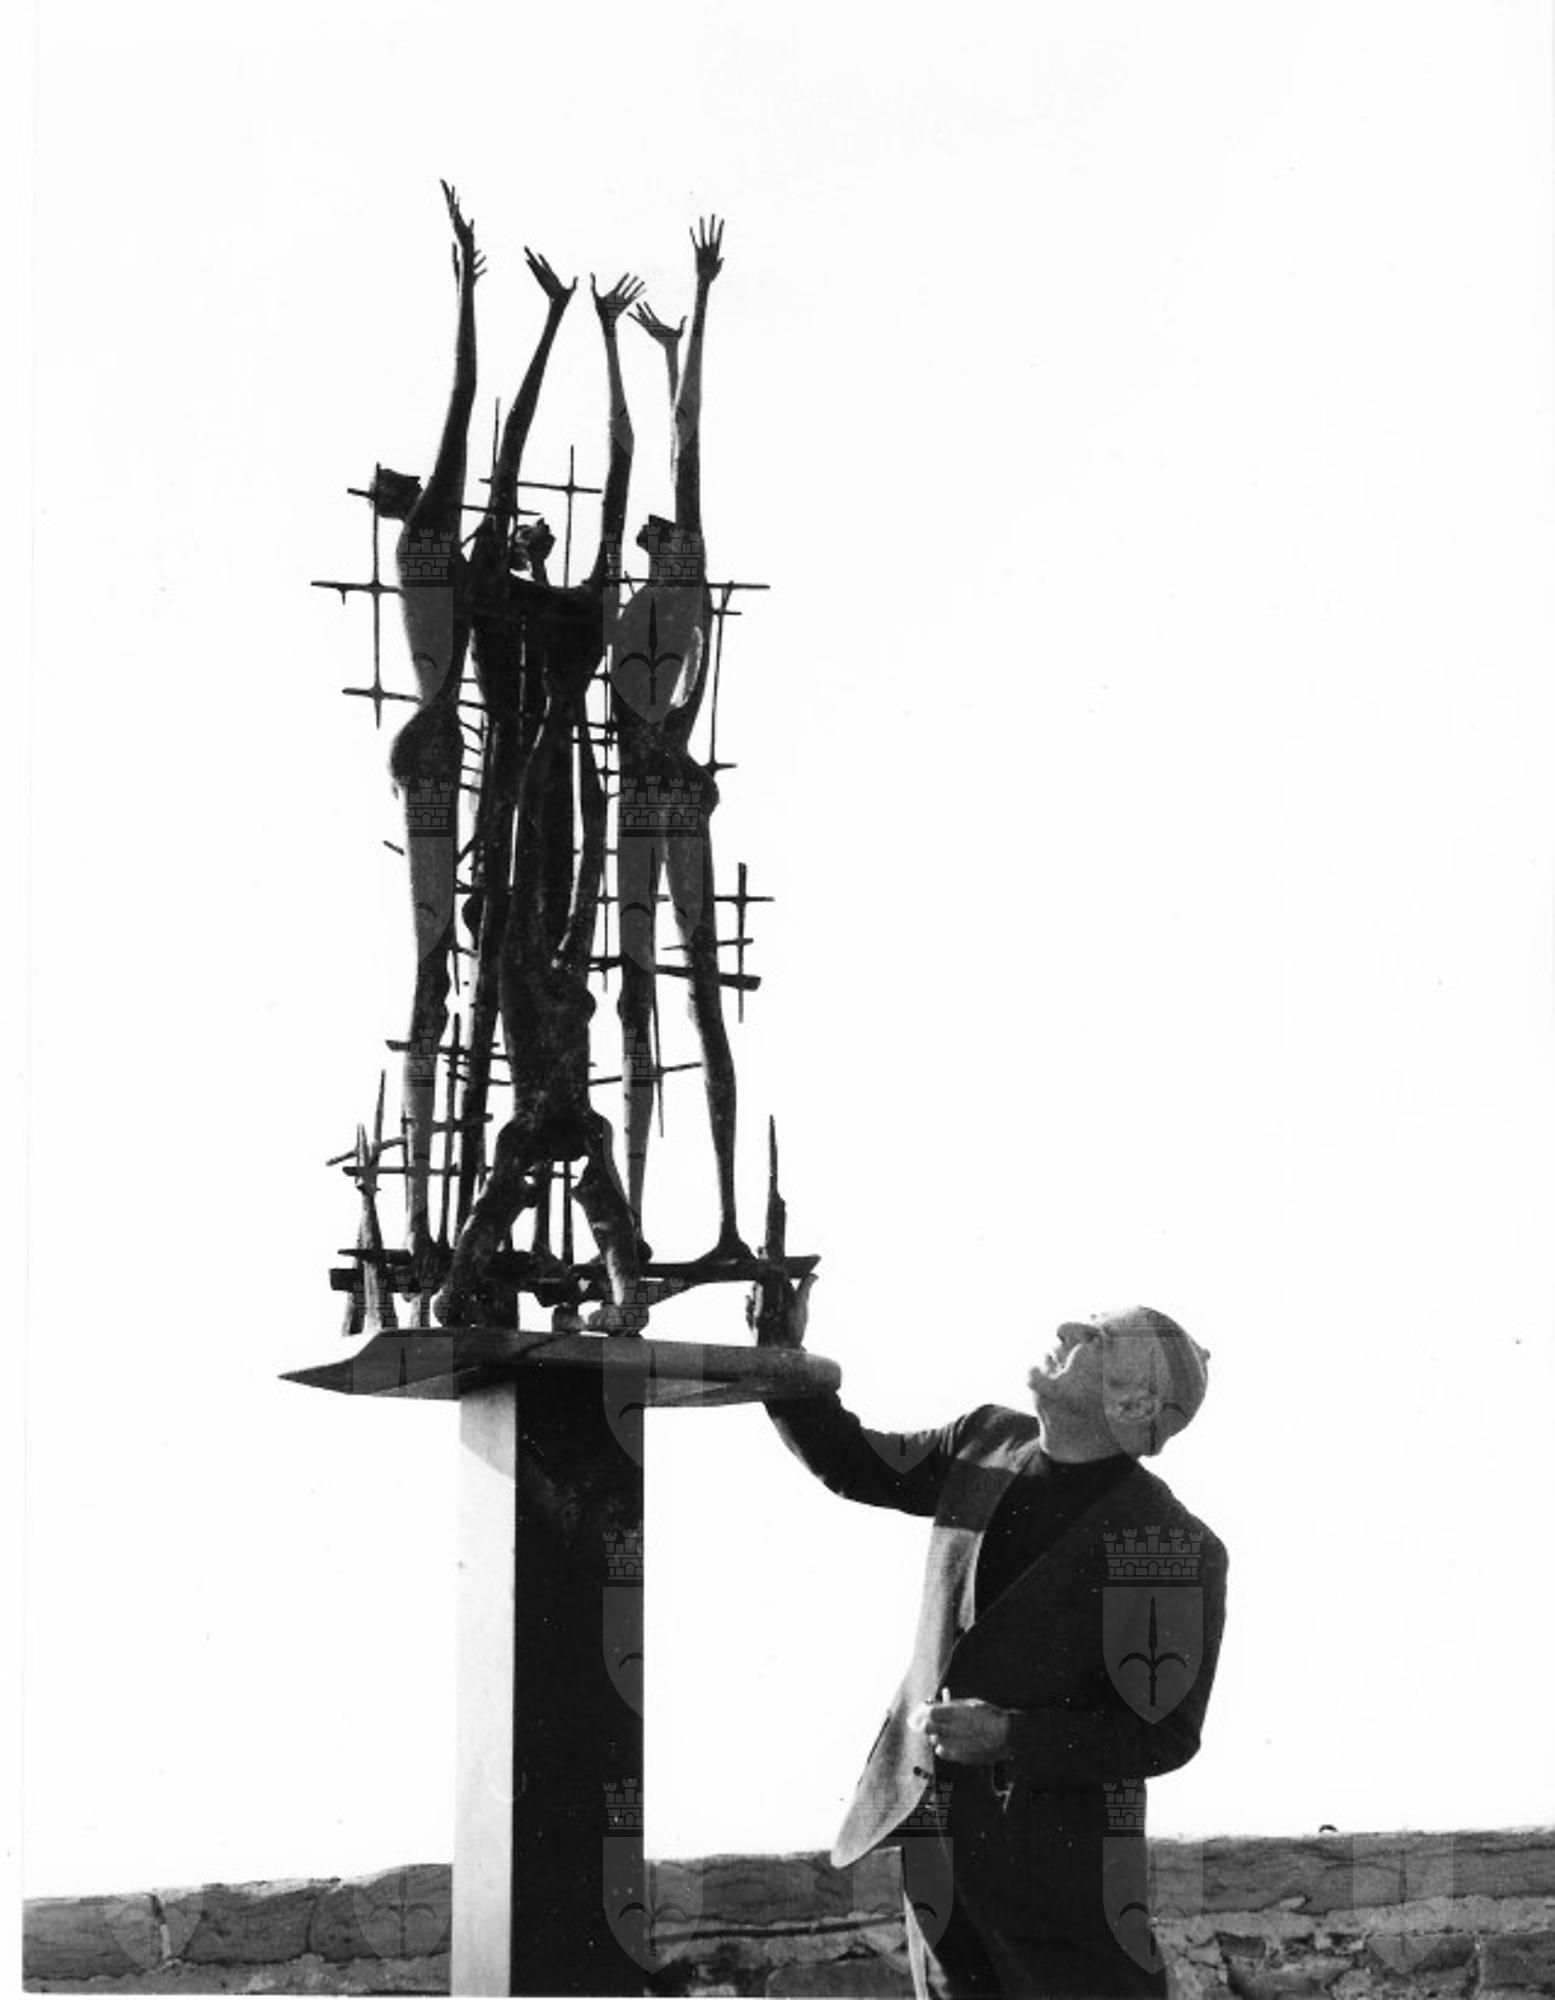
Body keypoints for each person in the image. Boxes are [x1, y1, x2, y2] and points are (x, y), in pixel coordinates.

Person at [755, 1288, 1228, 1999]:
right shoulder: (984, 1439)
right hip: (933, 1842)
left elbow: (1164, 1734)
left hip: (1060, 1876)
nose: (1067, 1326)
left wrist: (1010, 1735)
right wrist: (779, 1351)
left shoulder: (1174, 1543)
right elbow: (852, 1462)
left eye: (1099, 1337)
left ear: (1132, 1405)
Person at [432, 269, 648, 1331]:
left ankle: (568, 1278)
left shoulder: (583, 601)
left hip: (562, 806)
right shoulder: (488, 594)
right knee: (523, 971)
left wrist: (600, 337)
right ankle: (519, 1276)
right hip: (515, 807)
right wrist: (550, 322)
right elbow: (503, 457)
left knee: (551, 980)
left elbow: (617, 478)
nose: (529, 536)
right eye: (513, 530)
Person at [610, 217, 748, 1263]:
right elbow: (668, 452)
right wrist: (660, 348)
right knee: (638, 996)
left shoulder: (679, 599)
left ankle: (726, 1219)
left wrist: (694, 314)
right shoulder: (642, 617)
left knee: (696, 993)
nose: (669, 544)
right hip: (644, 799)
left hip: (667, 795)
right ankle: (639, 1219)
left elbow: (685, 445)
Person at [366, 180, 483, 1288]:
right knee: (436, 957)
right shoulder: (427, 543)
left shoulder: (430, 542)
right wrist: (468, 289)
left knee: (435, 958)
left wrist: (469, 287)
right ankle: (415, 1200)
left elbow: (464, 404)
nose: (397, 480)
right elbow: (464, 400)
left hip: (431, 748)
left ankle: (418, 1196)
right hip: (434, 750)